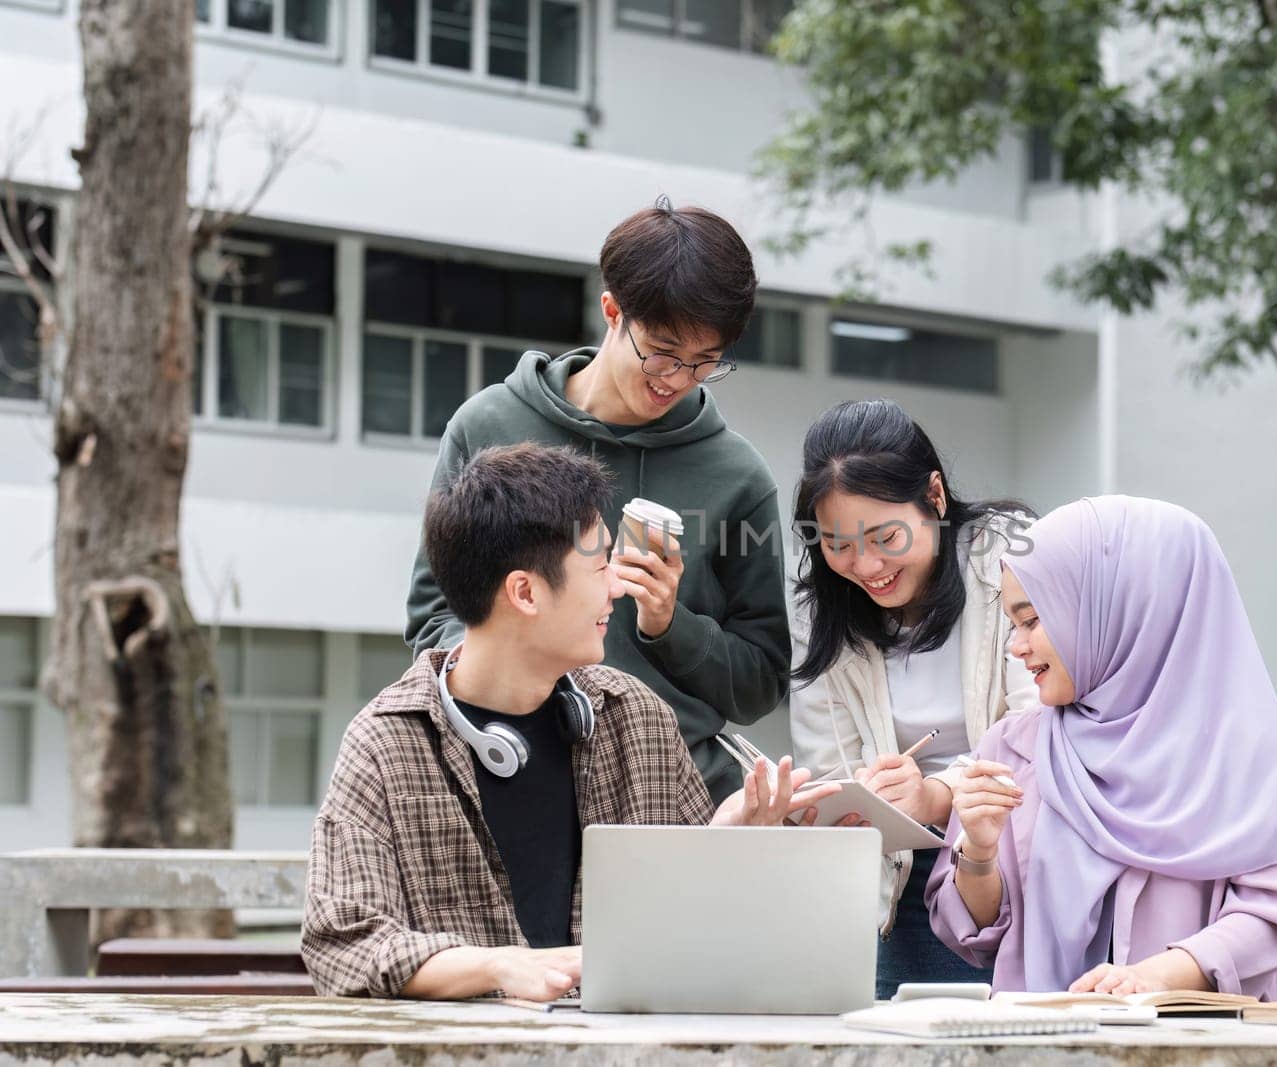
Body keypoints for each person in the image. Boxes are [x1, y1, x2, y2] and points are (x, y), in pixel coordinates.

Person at [305, 444, 842, 1000]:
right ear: (525, 592)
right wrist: (498, 967)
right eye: (600, 564)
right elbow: (342, 947)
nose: (617, 586)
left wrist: (725, 844)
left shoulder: (636, 719)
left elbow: (689, 930)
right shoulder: (386, 743)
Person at [405, 198, 787, 803]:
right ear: (613, 311)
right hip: (512, 770)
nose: (677, 378)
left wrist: (670, 626)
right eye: (661, 351)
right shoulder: (489, 427)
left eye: (704, 362)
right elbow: (432, 618)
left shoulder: (736, 475)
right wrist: (522, 662)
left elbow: (761, 685)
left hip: (675, 793)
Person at [928, 496, 1277, 996]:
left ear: (1121, 608)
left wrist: (1153, 978)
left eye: (1032, 620)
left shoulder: (1250, 760)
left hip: (1201, 1045)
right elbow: (973, 932)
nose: (1016, 646)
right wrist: (980, 851)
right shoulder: (1013, 748)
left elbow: (1276, 912)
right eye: (1014, 623)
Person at [787, 399, 1038, 999]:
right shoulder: (817, 611)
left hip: (1015, 858)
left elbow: (1044, 730)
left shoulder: (1011, 559)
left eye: (885, 536)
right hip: (889, 881)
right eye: (838, 544)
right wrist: (859, 801)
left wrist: (936, 795)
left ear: (935, 496)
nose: (865, 565)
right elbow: (831, 767)